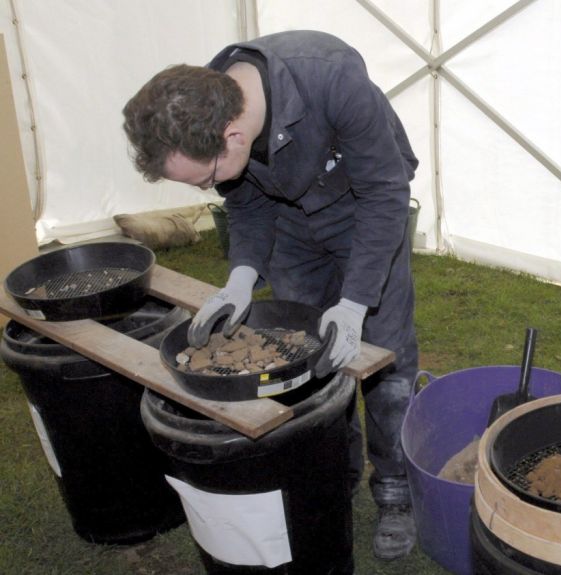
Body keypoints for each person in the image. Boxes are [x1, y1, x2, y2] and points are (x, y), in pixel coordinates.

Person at [122, 30, 420, 561]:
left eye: (200, 181)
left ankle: (395, 488)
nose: (201, 191)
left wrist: (355, 305)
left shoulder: (331, 79)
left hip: (365, 209)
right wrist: (241, 274)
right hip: (291, 223)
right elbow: (246, 201)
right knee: (310, 353)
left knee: (384, 354)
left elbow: (386, 191)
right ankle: (337, 467)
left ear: (233, 135)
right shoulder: (212, 102)